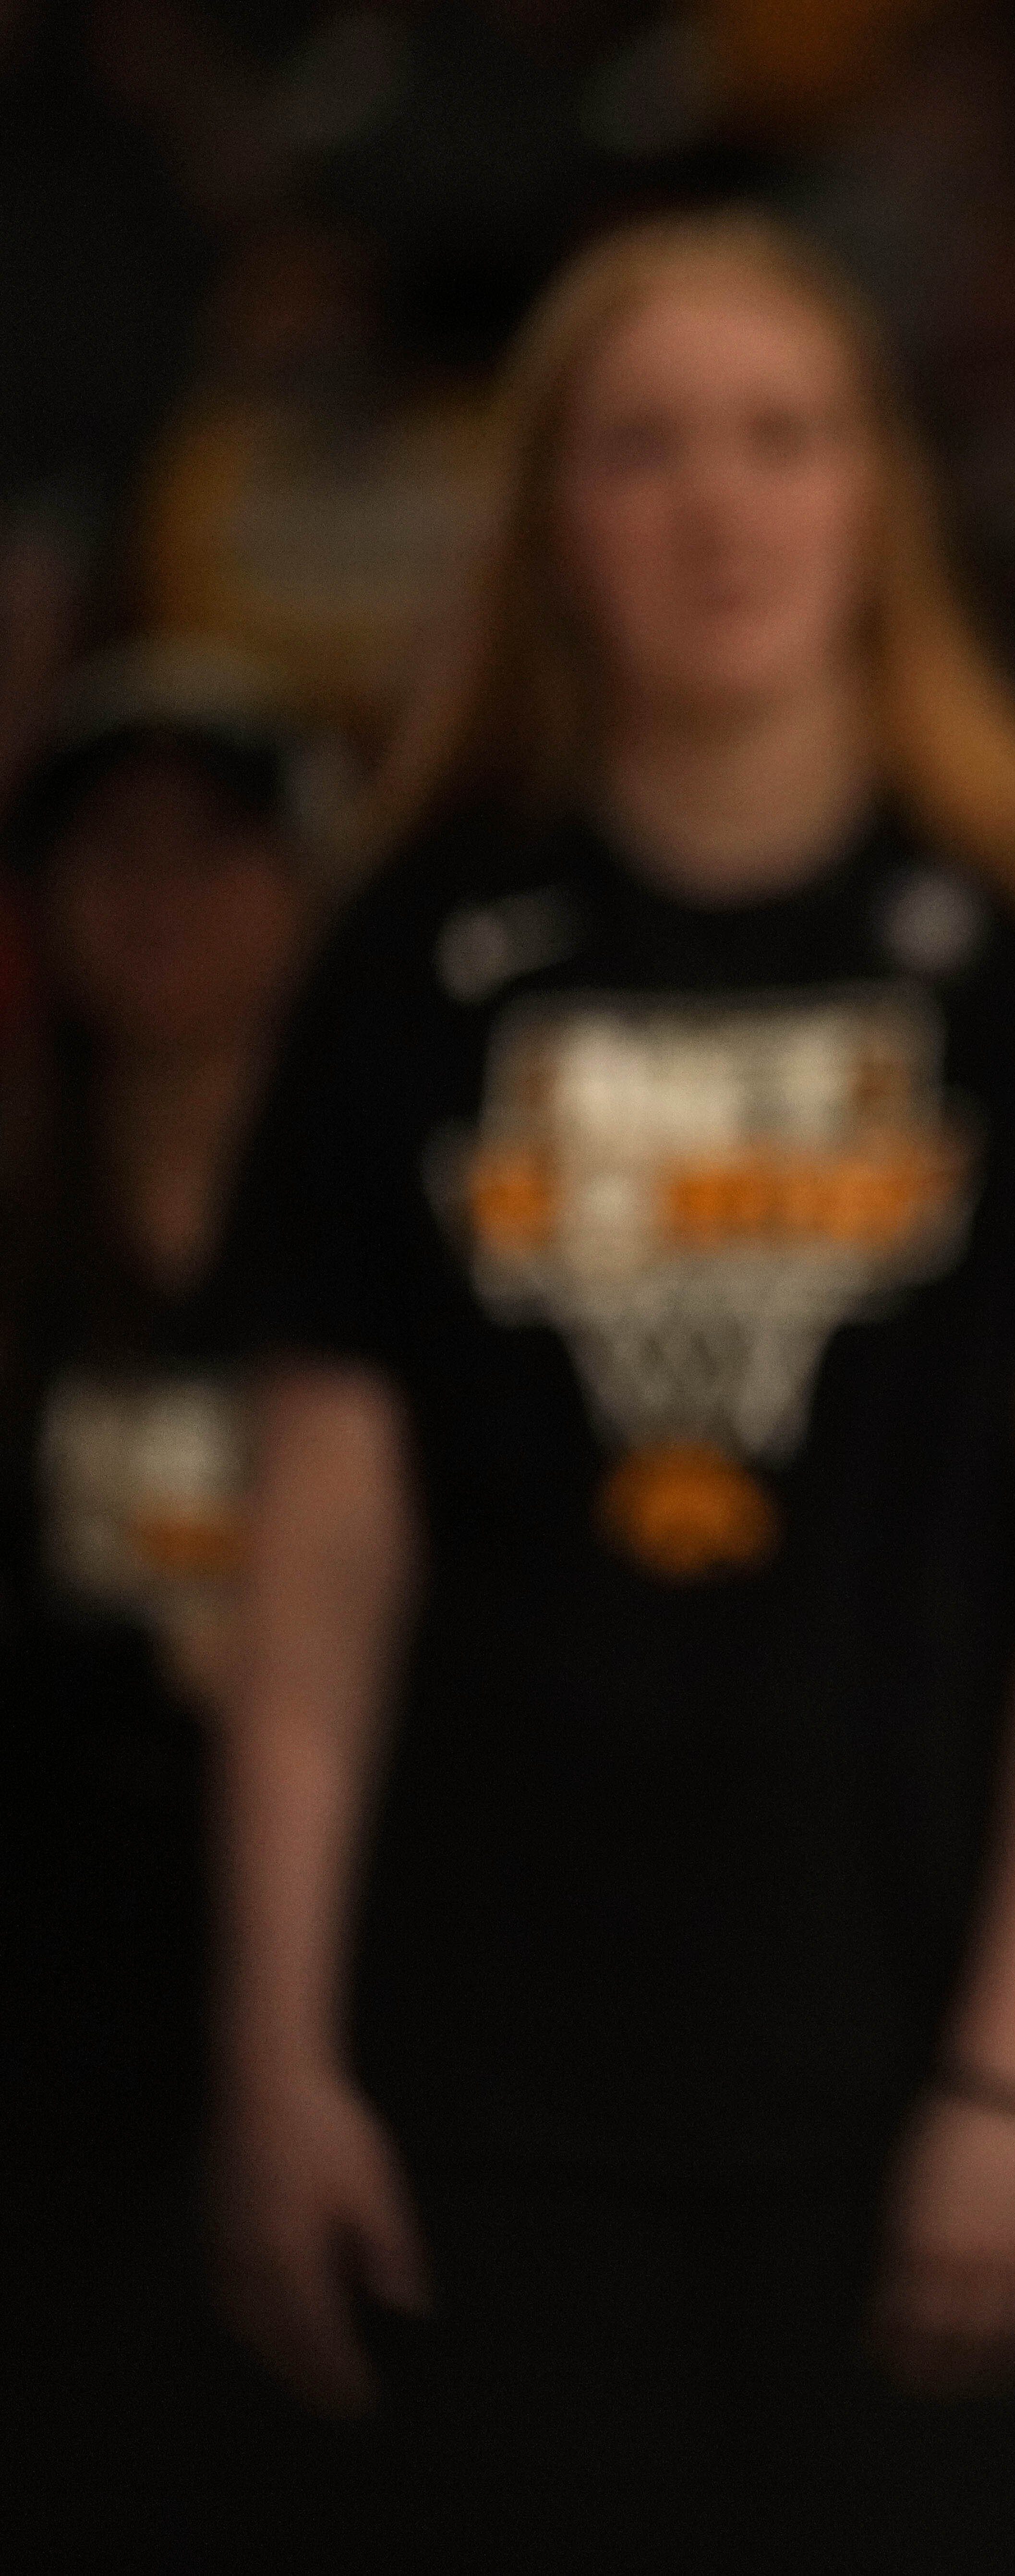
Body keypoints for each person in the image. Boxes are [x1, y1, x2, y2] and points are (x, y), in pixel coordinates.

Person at [203, 210, 1015, 2565]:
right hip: (475, 2059)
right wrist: (272, 2058)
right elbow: (314, 1575)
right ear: (547, 520)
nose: (720, 506)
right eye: (643, 448)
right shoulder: (416, 950)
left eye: (783, 438)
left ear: (874, 494)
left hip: (910, 2042)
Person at [0, 648, 315, 2555]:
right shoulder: (25, 1229)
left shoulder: (397, 1227)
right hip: (60, 1939)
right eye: (105, 849)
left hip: (327, 1907)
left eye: (213, 847)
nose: (157, 893)